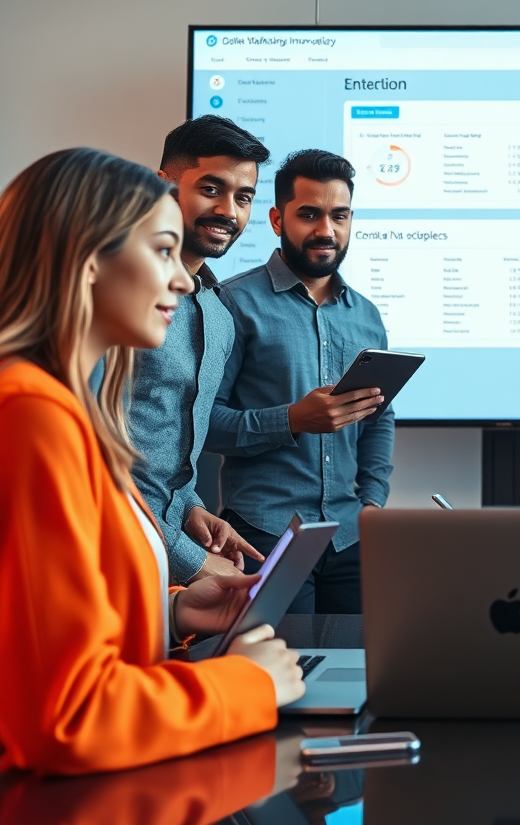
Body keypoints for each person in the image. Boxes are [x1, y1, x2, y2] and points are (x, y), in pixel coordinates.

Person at [0, 148, 303, 775]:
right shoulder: (31, 417)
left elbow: (38, 631)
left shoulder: (64, 412)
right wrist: (247, 686)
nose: (185, 279)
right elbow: (70, 720)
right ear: (88, 260)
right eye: (163, 250)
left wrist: (173, 610)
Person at [207, 149, 393, 614]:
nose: (326, 231)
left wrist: (372, 501)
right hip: (266, 535)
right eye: (309, 214)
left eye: (339, 215)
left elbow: (380, 418)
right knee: (284, 673)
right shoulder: (232, 303)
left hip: (351, 538)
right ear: (276, 219)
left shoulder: (367, 317)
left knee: (361, 673)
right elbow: (202, 425)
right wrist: (292, 420)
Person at [126, 115, 271, 585]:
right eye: (212, 189)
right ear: (161, 184)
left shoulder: (220, 317)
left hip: (165, 557)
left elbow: (167, 457)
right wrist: (191, 560)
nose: (229, 211)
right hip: (111, 552)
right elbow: (92, 470)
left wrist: (191, 508)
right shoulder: (118, 297)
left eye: (243, 197)